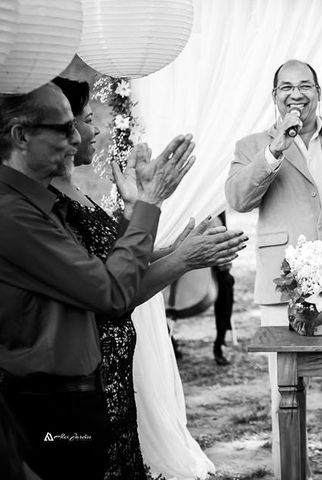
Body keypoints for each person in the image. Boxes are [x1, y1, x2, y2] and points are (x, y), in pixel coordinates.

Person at [50, 76, 246, 479]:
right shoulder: (48, 204)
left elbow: (117, 261)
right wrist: (181, 259)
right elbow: (111, 289)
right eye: (87, 120)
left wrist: (172, 245)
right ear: (63, 130)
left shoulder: (74, 190)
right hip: (82, 375)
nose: (97, 129)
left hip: (113, 371)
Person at [0, 82, 192, 480]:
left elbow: (104, 269)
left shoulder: (39, 202)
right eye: (65, 127)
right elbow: (110, 292)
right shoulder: (12, 214)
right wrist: (149, 204)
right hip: (47, 401)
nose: (77, 139)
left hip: (79, 391)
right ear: (21, 136)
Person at [225, 59, 322, 479]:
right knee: (286, 398)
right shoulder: (252, 145)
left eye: (305, 86)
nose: (296, 94)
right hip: (283, 288)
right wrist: (273, 152)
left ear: (320, 90)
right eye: (286, 87)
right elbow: (239, 200)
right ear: (274, 95)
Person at [212, 211, 235, 366]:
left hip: (213, 260)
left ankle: (220, 340)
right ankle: (170, 338)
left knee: (227, 281)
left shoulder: (218, 208)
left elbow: (222, 233)